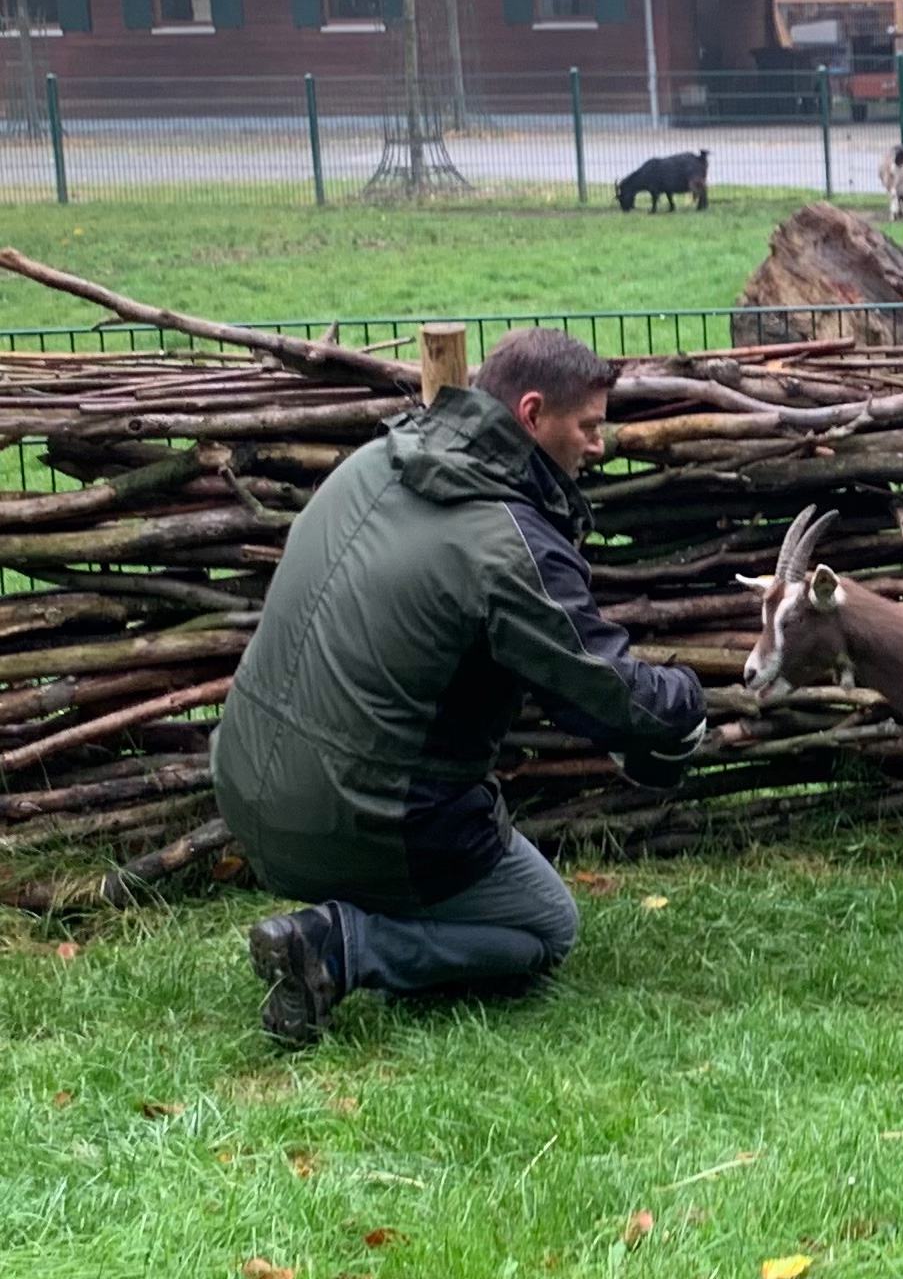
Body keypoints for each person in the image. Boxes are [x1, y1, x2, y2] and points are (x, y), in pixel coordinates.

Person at [212, 328, 706, 1045]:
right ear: (532, 414)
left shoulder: (372, 461)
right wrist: (687, 698)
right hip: (356, 823)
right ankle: (342, 945)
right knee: (542, 924)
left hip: (244, 788)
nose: (599, 446)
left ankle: (348, 909)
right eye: (588, 426)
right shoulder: (506, 540)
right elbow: (610, 694)